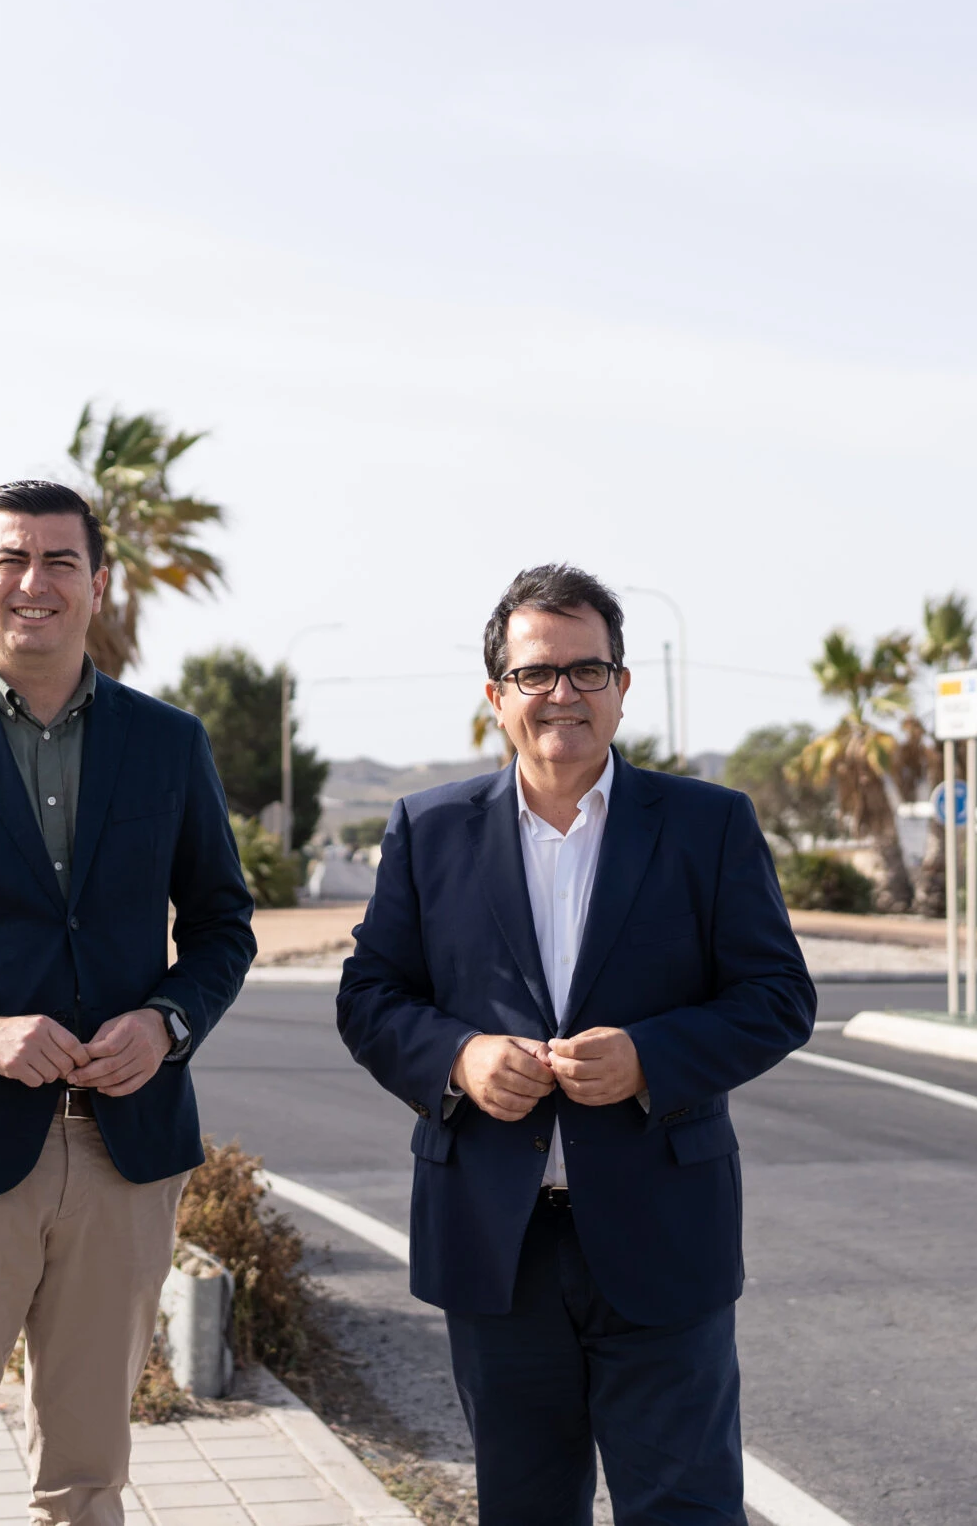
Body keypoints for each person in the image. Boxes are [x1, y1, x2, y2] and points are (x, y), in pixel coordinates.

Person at [337, 563, 816, 1525]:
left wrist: (650, 1057)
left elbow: (778, 997)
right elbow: (370, 996)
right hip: (496, 1247)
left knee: (685, 1508)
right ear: (496, 696)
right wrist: (460, 1060)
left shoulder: (708, 826)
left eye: (588, 670)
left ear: (622, 687)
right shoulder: (427, 831)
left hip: (661, 1236)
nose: (563, 693)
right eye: (537, 672)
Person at [0, 479, 257, 1526]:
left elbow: (220, 926)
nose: (35, 583)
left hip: (124, 1158)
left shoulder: (169, 744)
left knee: (89, 1484)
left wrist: (166, 1024)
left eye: (59, 562)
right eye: (13, 560)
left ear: (98, 584)